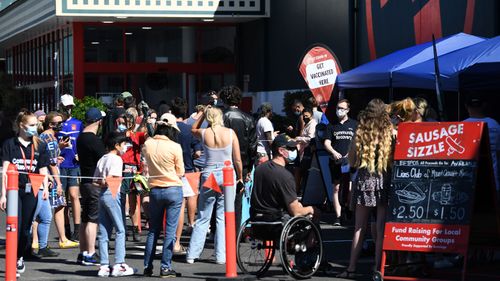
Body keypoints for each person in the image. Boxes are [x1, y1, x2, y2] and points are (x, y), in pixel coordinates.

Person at [337, 99, 393, 279]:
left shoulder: (360, 133)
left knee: (359, 228)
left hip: (364, 180)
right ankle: (378, 268)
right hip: (383, 181)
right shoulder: (389, 133)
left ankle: (351, 268)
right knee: (381, 228)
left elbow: (352, 161)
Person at [187, 105, 243, 265]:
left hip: (209, 174)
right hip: (227, 174)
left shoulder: (204, 133)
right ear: (220, 117)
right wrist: (240, 177)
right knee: (221, 216)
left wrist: (203, 115)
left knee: (204, 215)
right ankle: (220, 255)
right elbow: (237, 159)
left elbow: (193, 128)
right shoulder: (230, 133)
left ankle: (192, 254)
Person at [1, 111, 50, 277]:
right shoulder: (10, 144)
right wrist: (3, 194)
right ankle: (12, 259)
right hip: (14, 191)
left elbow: (43, 169)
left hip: (32, 189)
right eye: (31, 125)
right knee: (16, 225)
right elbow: (6, 170)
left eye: (35, 125)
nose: (34, 128)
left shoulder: (40, 145)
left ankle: (19, 255)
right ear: (22, 125)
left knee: (25, 228)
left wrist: (45, 190)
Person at [141, 113, 184, 278]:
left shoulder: (148, 144)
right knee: (170, 232)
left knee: (153, 230)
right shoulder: (175, 147)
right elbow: (180, 172)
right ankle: (165, 267)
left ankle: (147, 266)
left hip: (155, 190)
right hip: (173, 188)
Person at [94, 132, 135, 277]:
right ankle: (119, 263)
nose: (125, 147)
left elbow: (95, 180)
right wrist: (107, 181)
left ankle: (104, 265)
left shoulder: (102, 159)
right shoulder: (117, 159)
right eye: (123, 144)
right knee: (120, 229)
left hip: (103, 195)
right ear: (116, 146)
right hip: (112, 194)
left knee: (104, 232)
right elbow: (111, 177)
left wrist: (103, 182)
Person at [251, 133, 318, 222]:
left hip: (256, 220)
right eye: (291, 148)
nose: (295, 150)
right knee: (313, 216)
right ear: (281, 151)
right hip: (276, 222)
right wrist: (311, 209)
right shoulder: (285, 175)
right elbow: (296, 212)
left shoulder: (259, 169)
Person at [219, 85, 256, 232]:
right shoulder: (248, 118)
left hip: (221, 163)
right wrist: (249, 168)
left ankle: (219, 235)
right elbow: (253, 146)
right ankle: (234, 234)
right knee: (237, 202)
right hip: (242, 163)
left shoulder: (220, 117)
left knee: (220, 202)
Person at [170, 98, 202, 255]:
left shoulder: (167, 129)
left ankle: (171, 241)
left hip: (169, 172)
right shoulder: (189, 130)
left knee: (172, 208)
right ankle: (177, 241)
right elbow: (198, 152)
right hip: (187, 170)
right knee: (184, 203)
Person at [76, 108, 107, 265]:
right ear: (98, 122)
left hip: (85, 181)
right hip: (94, 183)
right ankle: (90, 253)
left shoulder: (81, 138)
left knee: (85, 217)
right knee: (92, 220)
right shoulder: (94, 140)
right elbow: (104, 160)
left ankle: (83, 252)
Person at [324, 99, 357, 226]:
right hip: (336, 161)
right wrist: (333, 152)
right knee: (336, 188)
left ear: (348, 110)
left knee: (349, 187)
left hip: (350, 161)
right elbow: (327, 142)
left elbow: (358, 141)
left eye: (342, 108)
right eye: (338, 108)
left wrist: (351, 153)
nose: (339, 110)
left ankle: (348, 207)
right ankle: (338, 216)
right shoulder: (331, 125)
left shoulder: (354, 124)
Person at [58, 93, 83, 241]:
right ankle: (66, 229)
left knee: (74, 196)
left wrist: (81, 154)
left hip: (73, 164)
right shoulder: (56, 124)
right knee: (62, 199)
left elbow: (82, 142)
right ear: (60, 106)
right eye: (66, 107)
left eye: (70, 107)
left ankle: (77, 229)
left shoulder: (78, 124)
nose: (68, 109)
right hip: (60, 164)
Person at [119, 110, 146, 242]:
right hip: (122, 169)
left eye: (129, 121)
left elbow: (147, 135)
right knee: (121, 200)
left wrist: (145, 119)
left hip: (134, 169)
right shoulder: (118, 135)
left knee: (134, 200)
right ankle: (122, 229)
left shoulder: (138, 135)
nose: (126, 124)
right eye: (124, 121)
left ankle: (135, 228)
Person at [464, 96, 499, 190]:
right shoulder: (494, 124)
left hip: (468, 176)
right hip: (492, 177)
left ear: (466, 106)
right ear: (484, 105)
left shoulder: (462, 125)